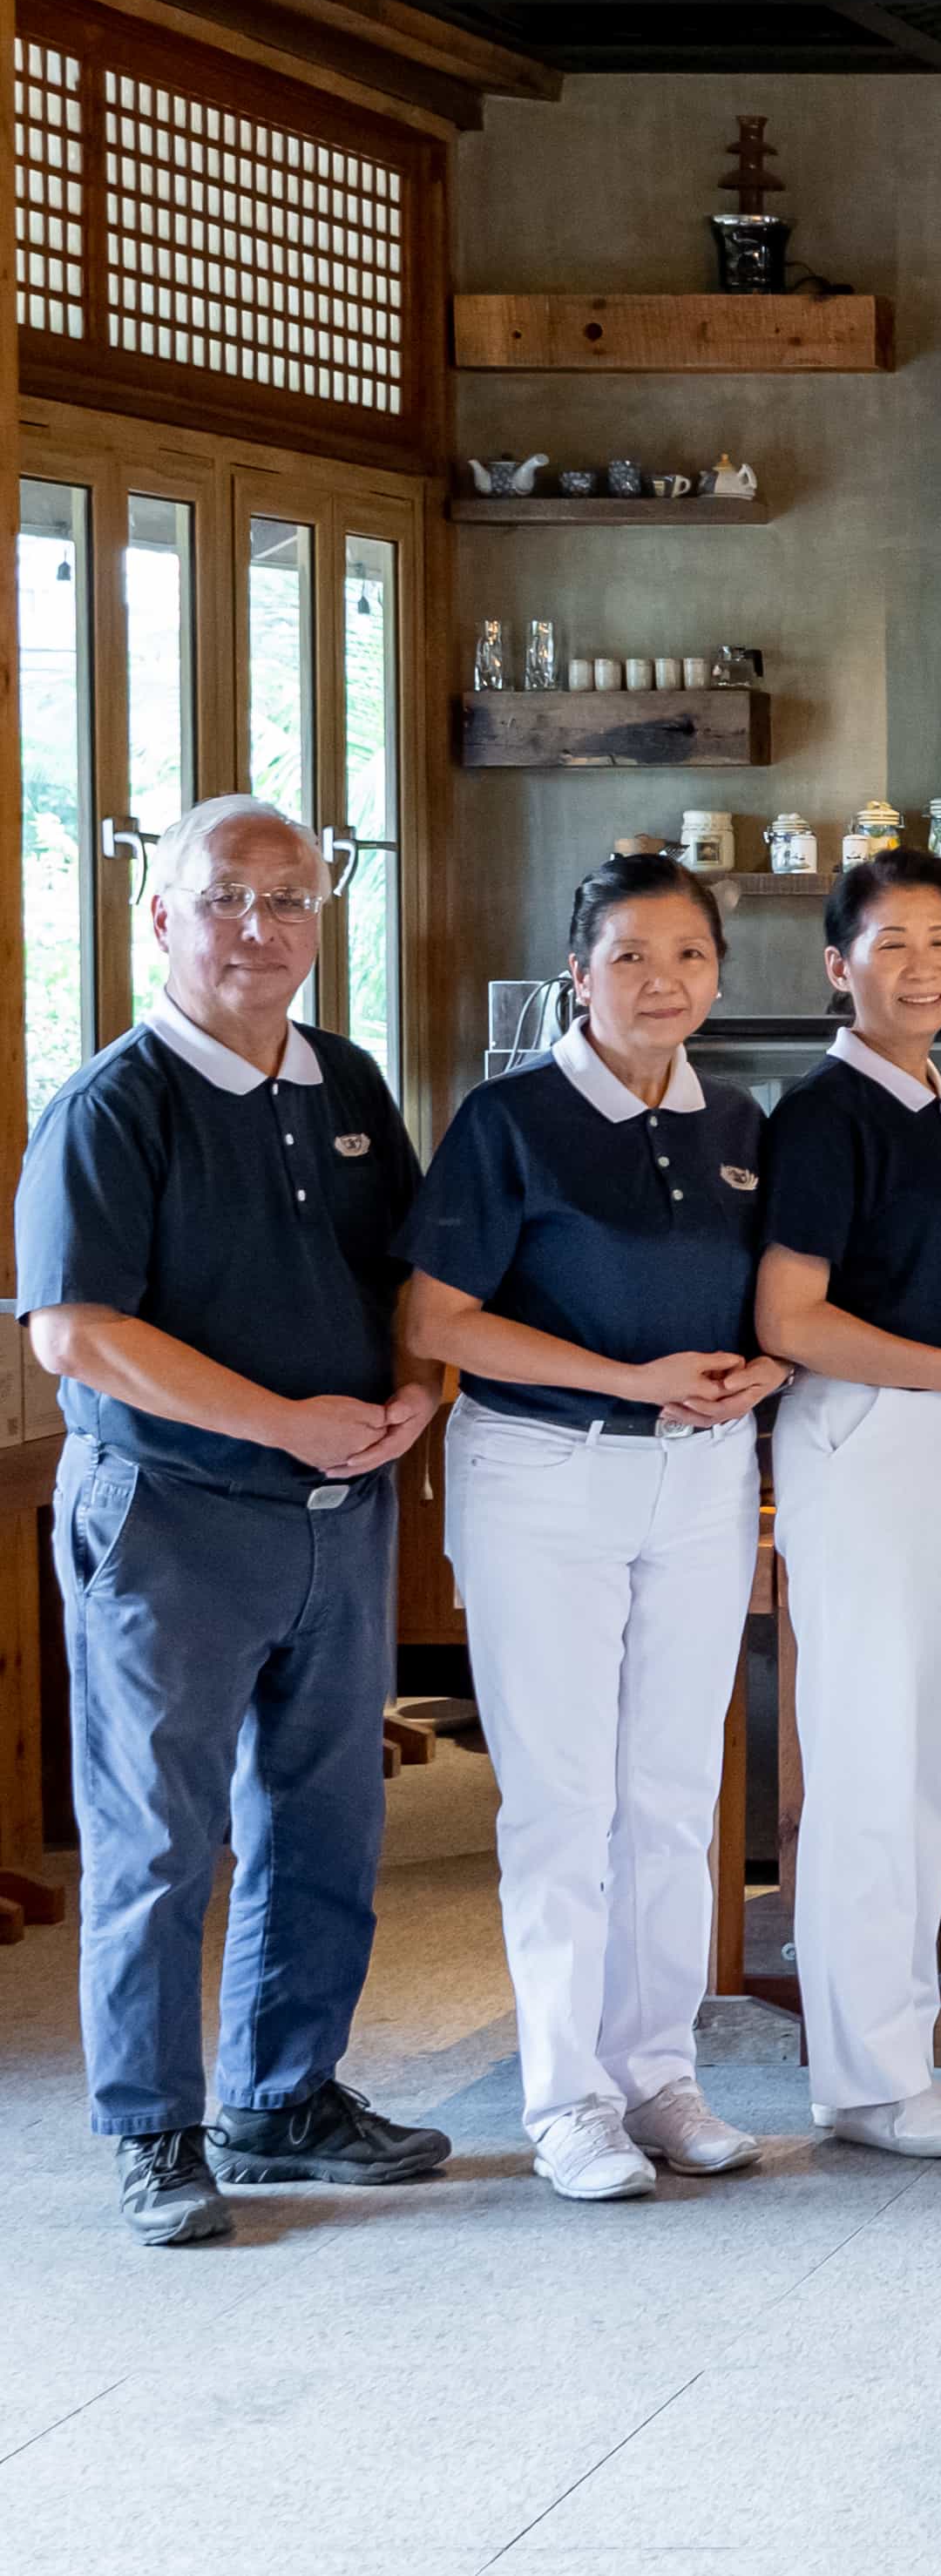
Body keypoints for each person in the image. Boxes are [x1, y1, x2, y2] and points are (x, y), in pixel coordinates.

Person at [14, 797, 447, 2244]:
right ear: (159, 919)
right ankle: (153, 2128)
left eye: (289, 899)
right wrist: (283, 1420)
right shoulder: (113, 1104)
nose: (259, 929)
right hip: (174, 1517)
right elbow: (75, 1335)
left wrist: (415, 1387)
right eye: (224, 900)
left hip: (343, 1507)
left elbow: (414, 1274)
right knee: (158, 1834)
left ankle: (284, 2094)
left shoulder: (348, 1080)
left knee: (325, 1815)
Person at [403, 852, 786, 2201]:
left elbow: (777, 1302)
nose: (659, 980)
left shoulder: (739, 1121)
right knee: (565, 1799)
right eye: (627, 954)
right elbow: (436, 1319)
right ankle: (568, 2097)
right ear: (579, 971)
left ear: (718, 975)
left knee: (675, 1793)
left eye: (686, 955)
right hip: (542, 1474)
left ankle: (660, 2074)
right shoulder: (506, 1119)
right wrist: (631, 1378)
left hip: (704, 1475)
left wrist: (767, 1369)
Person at [754, 849, 941, 2161]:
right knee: (871, 1761)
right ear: (838, 965)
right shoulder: (828, 1113)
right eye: (890, 944)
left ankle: (897, 2051)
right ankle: (866, 2075)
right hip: (869, 1439)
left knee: (927, 1760)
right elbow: (792, 1317)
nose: (921, 965)